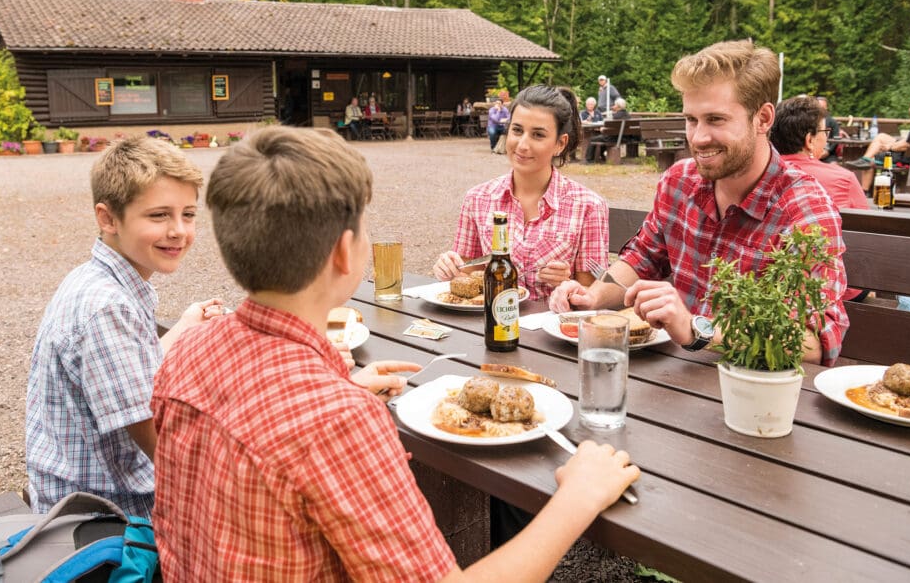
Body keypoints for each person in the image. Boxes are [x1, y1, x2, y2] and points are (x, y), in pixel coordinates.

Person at [150, 127, 639, 582]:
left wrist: (341, 387)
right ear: (345, 253)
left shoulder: (189, 348)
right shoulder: (338, 420)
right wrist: (577, 497)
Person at [550, 40, 849, 366]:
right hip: (677, 381)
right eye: (692, 120)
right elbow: (643, 257)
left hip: (758, 391)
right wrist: (592, 297)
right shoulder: (680, 181)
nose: (698, 137)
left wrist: (696, 329)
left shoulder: (805, 211)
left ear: (763, 119)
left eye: (716, 120)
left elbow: (811, 342)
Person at [26, 136, 224, 517]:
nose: (179, 231)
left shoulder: (98, 278)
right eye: (159, 215)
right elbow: (166, 447)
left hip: (80, 489)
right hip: (111, 513)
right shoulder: (106, 309)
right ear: (108, 218)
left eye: (188, 214)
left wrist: (183, 327)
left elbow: (130, 377)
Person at [433, 85, 609, 300]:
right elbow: (467, 278)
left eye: (538, 135)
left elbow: (591, 295)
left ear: (560, 144)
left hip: (551, 328)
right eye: (517, 130)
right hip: (491, 326)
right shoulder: (477, 199)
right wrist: (450, 269)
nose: (522, 144)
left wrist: (567, 283)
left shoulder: (588, 206)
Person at [770, 94, 870, 302]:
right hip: (830, 291)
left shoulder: (758, 176)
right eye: (824, 132)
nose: (826, 137)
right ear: (809, 140)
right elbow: (867, 235)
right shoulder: (844, 178)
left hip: (768, 285)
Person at [847, 98, 910, 168]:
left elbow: (905, 145)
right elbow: (908, 141)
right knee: (881, 136)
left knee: (872, 159)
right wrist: (892, 145)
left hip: (908, 159)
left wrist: (890, 147)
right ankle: (865, 158)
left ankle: (866, 160)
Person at [583, 97, 632, 163]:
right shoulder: (628, 115)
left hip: (613, 137)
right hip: (624, 137)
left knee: (593, 139)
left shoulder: (615, 117)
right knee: (600, 138)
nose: (613, 106)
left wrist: (603, 130)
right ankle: (601, 155)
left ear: (618, 106)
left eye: (615, 105)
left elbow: (609, 128)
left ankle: (589, 160)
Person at [816, 96, 847, 162]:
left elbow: (836, 138)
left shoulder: (832, 122)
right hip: (811, 153)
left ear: (826, 108)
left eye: (823, 107)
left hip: (829, 153)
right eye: (819, 107)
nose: (821, 109)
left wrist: (828, 151)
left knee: (834, 165)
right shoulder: (808, 121)